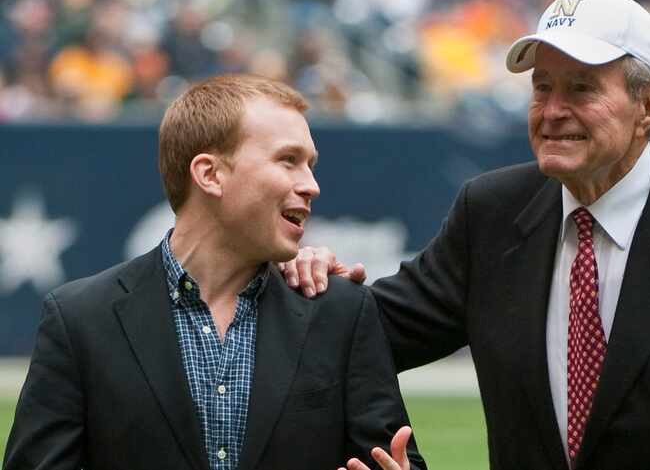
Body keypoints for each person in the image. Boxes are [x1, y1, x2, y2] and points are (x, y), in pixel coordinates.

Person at [285, 0, 650, 469]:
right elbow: (367, 336)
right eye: (542, 87)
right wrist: (313, 287)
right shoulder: (491, 213)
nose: (552, 110)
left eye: (581, 88)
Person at [3, 75, 424, 470]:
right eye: (288, 161)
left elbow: (396, 458)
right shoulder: (80, 320)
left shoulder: (343, 312)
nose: (311, 184)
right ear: (210, 174)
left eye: (310, 164)